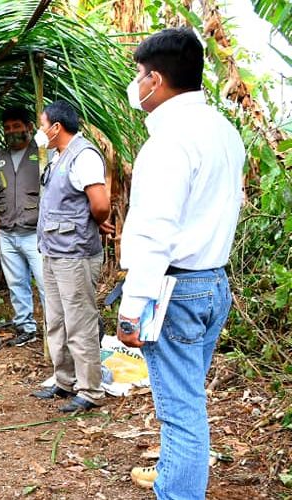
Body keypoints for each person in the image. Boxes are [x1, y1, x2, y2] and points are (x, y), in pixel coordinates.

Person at [117, 28, 244, 497]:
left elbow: (156, 230)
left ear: (156, 79)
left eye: (139, 75)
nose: (137, 85)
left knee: (180, 406)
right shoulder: (221, 130)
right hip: (212, 281)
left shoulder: (169, 142)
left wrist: (133, 306)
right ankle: (173, 468)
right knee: (186, 392)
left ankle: (179, 489)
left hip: (176, 289)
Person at [30, 101, 111, 412]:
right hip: (53, 250)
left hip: (74, 254)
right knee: (57, 320)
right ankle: (64, 381)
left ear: (56, 127)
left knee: (79, 322)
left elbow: (100, 204)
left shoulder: (84, 156)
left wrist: (93, 219)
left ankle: (90, 391)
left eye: (41, 126)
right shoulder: (58, 156)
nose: (40, 132)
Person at [0, 106, 46, 346]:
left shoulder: (43, 154)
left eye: (17, 126)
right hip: (7, 232)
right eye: (7, 128)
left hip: (37, 232)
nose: (11, 131)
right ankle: (25, 326)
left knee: (47, 283)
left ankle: (54, 328)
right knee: (16, 282)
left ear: (29, 127)